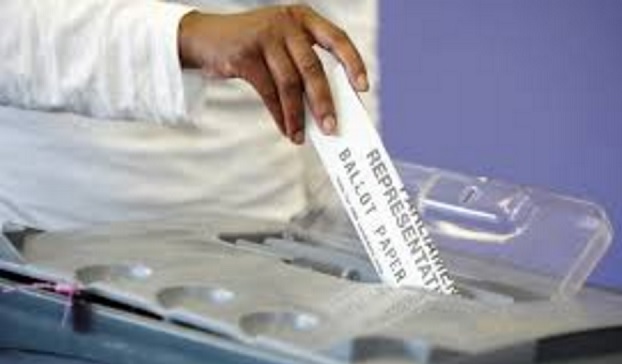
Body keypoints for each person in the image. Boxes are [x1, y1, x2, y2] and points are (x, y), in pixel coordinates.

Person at [0, 0, 378, 230]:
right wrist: (182, 34)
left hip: (269, 237)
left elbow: (336, 43)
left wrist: (354, 221)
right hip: (56, 247)